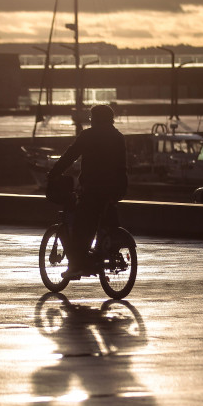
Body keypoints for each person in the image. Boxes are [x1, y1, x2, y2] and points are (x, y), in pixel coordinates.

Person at [47, 104, 128, 279]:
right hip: (117, 188)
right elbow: (122, 167)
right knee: (107, 220)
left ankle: (76, 267)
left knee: (81, 226)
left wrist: (54, 173)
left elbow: (70, 156)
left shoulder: (88, 136)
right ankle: (106, 251)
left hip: (94, 188)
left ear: (95, 119)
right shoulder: (118, 137)